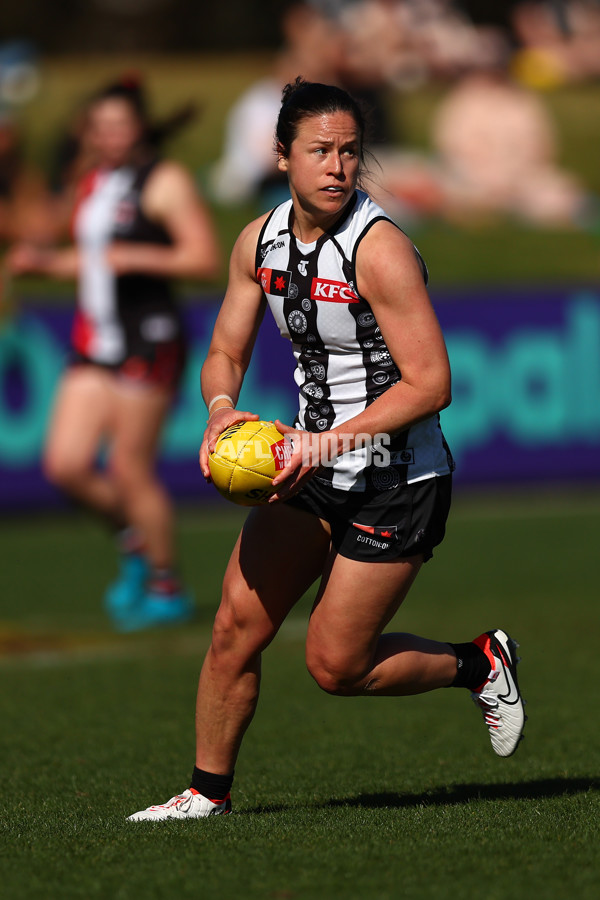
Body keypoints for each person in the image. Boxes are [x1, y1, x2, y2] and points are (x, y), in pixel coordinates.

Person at [128, 78, 526, 821]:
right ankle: (205, 794)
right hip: (307, 467)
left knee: (335, 666)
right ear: (282, 156)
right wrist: (220, 409)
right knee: (232, 628)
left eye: (349, 152)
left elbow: (432, 383)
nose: (338, 167)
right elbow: (222, 351)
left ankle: (477, 662)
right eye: (320, 151)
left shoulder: (381, 251)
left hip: (396, 478)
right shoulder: (259, 241)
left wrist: (325, 442)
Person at [6, 78, 222, 631]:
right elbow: (90, 255)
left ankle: (165, 582)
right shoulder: (94, 180)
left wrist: (137, 254)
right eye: (98, 127)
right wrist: (44, 262)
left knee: (129, 468)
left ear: (140, 128)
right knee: (66, 465)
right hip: (94, 342)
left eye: (118, 125)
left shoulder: (163, 180)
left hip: (147, 338)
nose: (108, 136)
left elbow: (202, 258)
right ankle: (136, 543)